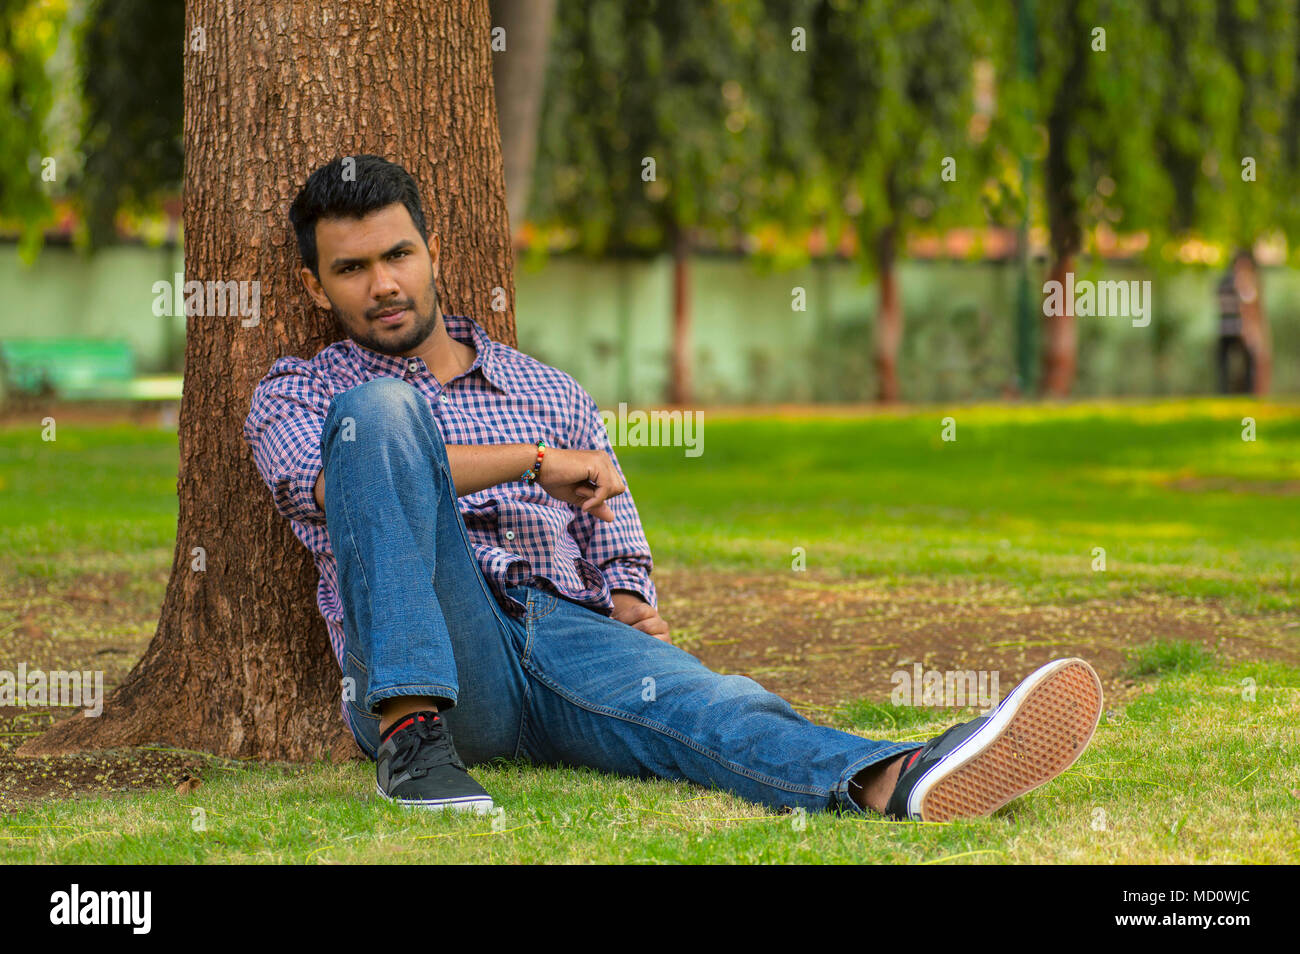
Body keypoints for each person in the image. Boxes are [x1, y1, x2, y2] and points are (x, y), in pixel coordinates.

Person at [243, 155, 1103, 823]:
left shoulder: (549, 390)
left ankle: (896, 777)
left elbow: (615, 536)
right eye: (353, 269)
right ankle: (413, 745)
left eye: (398, 254)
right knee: (379, 413)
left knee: (711, 703)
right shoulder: (307, 395)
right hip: (447, 662)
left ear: (434, 254)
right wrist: (531, 461)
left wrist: (628, 605)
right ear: (317, 286)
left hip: (565, 633)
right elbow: (323, 485)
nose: (384, 284)